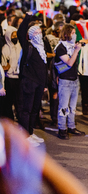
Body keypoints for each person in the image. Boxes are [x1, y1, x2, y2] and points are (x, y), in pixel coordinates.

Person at [17, 14, 47, 147]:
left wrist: (45, 84)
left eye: (40, 32)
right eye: (37, 32)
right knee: (26, 109)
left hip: (39, 83)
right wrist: (28, 18)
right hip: (29, 83)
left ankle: (30, 132)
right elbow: (21, 32)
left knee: (35, 109)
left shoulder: (41, 48)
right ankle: (25, 135)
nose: (39, 34)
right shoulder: (28, 46)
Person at [54, 24, 86, 139]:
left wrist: (84, 26)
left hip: (74, 80)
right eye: (72, 33)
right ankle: (62, 129)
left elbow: (87, 38)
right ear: (66, 34)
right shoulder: (61, 47)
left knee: (73, 107)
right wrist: (76, 51)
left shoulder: (72, 45)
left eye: (75, 32)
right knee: (63, 107)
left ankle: (71, 127)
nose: (75, 35)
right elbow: (69, 63)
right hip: (65, 81)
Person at [1, 26, 21, 120]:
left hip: (19, 77)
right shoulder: (5, 48)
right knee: (9, 101)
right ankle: (10, 118)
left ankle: (19, 117)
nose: (15, 37)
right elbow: (4, 64)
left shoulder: (20, 46)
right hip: (9, 78)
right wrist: (7, 66)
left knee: (19, 101)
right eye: (13, 35)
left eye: (16, 34)